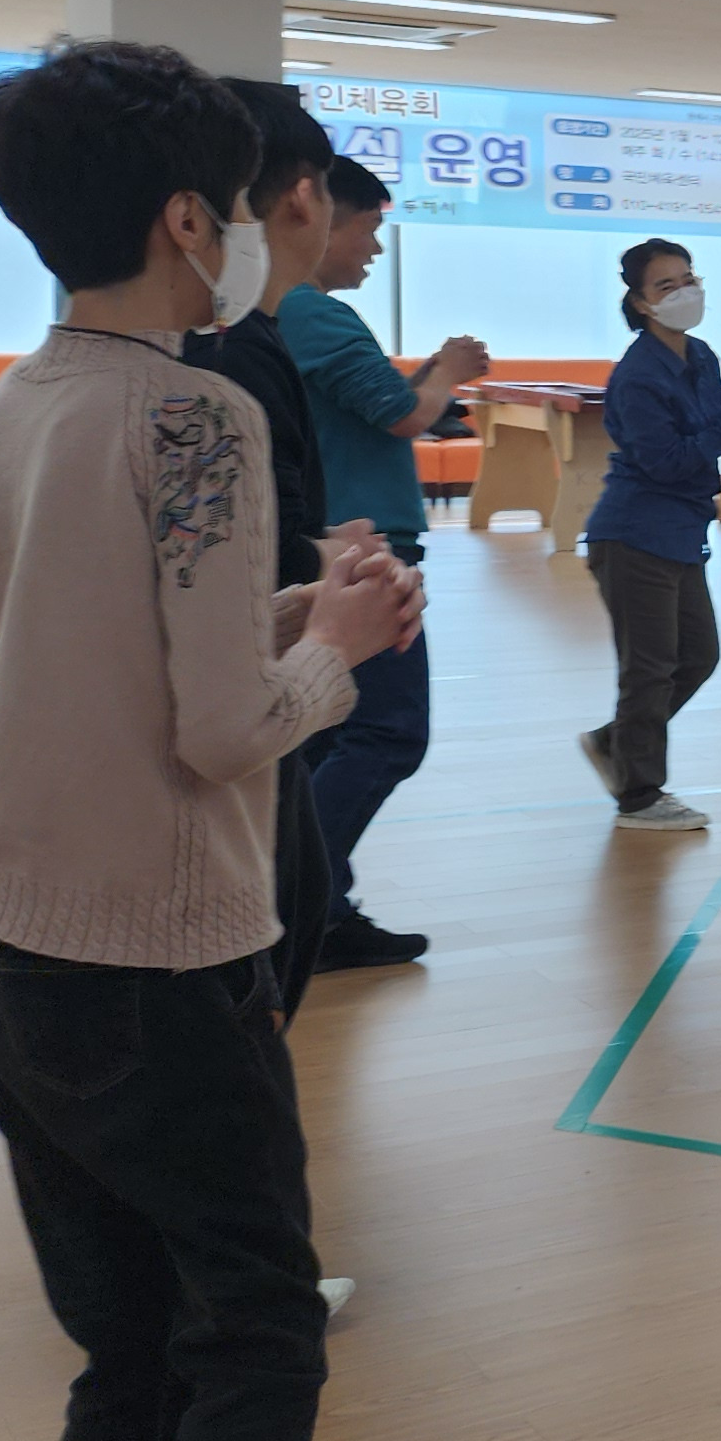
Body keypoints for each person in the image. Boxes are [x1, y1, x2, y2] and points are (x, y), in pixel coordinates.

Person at [0, 41, 420, 1441]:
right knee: (259, 1335)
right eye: (248, 209)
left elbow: (80, 649)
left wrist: (293, 611)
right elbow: (220, 734)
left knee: (131, 1352)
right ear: (190, 219)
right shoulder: (197, 417)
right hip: (145, 966)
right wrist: (337, 649)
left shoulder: (24, 398)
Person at [280, 151, 487, 961]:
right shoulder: (312, 312)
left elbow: (382, 403)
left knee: (325, 734)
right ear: (318, 217)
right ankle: (309, 906)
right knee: (387, 731)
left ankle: (305, 901)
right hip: (359, 550)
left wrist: (432, 379)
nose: (374, 248)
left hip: (334, 541)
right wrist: (450, 372)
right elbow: (400, 414)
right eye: (368, 230)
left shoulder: (295, 313)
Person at [182, 85, 359, 999]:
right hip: (243, 724)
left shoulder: (42, 392)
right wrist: (334, 591)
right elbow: (251, 561)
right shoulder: (226, 360)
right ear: (302, 196)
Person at [577, 241, 721, 831]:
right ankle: (639, 796)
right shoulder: (637, 376)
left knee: (697, 655)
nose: (684, 292)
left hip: (682, 530)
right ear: (641, 303)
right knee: (650, 667)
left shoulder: (702, 355)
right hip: (635, 533)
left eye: (689, 278)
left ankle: (616, 742)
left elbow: (711, 427)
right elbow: (666, 460)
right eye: (666, 285)